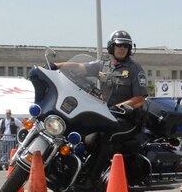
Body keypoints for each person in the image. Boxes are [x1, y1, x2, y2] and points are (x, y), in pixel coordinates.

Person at [56, 29, 149, 177]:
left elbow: (140, 98)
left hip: (127, 120)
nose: (122, 49)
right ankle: (72, 170)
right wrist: (56, 66)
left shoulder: (135, 69)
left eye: (125, 46)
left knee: (104, 136)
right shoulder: (103, 66)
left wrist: (117, 107)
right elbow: (80, 67)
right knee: (80, 130)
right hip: (104, 115)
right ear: (111, 47)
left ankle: (92, 178)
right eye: (119, 45)